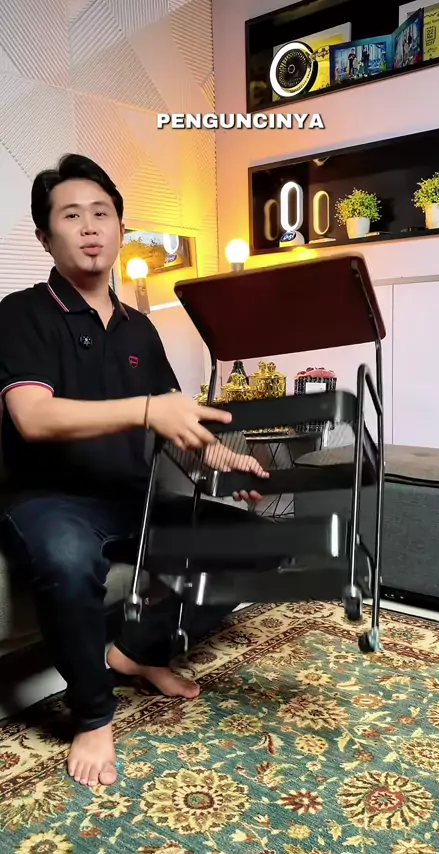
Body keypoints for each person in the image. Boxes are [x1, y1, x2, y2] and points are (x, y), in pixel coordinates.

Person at [0, 153, 269, 788]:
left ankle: (134, 651)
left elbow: (177, 423)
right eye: (71, 215)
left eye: (102, 213)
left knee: (255, 540)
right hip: (49, 500)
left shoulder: (139, 329)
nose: (90, 226)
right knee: (67, 560)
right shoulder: (19, 313)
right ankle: (94, 715)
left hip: (130, 496)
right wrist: (148, 408)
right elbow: (32, 417)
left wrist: (225, 462)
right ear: (45, 236)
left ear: (121, 228)